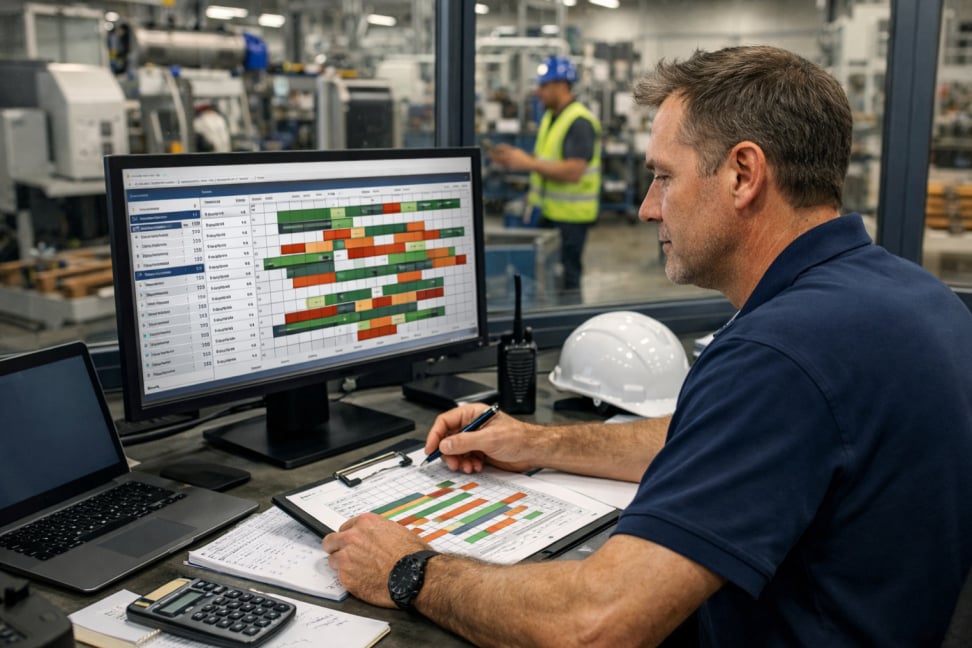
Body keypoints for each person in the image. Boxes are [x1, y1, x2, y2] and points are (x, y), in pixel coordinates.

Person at [322, 45, 972, 646]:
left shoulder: (781, 355)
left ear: (743, 174)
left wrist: (409, 570)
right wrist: (536, 444)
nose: (645, 208)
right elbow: (725, 440)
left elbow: (597, 625)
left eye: (663, 177)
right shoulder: (914, 299)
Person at [490, 55, 602, 300]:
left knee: (567, 278)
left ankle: (570, 327)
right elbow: (548, 160)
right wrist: (518, 159)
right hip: (549, 213)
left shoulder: (579, 121)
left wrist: (528, 163)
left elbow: (574, 171)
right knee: (546, 278)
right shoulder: (552, 117)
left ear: (561, 86)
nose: (538, 92)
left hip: (571, 218)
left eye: (543, 86)